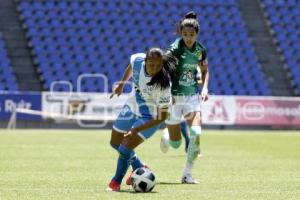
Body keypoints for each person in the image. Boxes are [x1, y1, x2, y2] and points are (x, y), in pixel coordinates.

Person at [107, 47, 177, 192]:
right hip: (133, 105)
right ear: (145, 61)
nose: (155, 68)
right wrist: (121, 84)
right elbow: (131, 66)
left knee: (125, 147)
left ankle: (115, 182)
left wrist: (136, 129)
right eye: (151, 64)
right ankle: (139, 166)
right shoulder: (138, 60)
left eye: (158, 66)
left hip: (150, 116)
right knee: (115, 143)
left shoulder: (164, 84)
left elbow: (162, 116)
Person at [160, 11, 209, 184]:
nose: (188, 38)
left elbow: (204, 70)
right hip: (174, 97)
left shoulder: (201, 50)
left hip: (191, 97)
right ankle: (167, 133)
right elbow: (165, 64)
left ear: (197, 34)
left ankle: (187, 174)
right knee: (175, 144)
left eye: (192, 35)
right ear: (181, 33)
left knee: (196, 133)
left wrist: (205, 88)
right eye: (185, 34)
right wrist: (168, 89)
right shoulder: (176, 47)